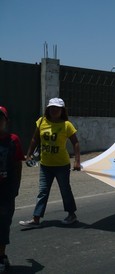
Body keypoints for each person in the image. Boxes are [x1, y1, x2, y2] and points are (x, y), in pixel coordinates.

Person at [19, 98, 81, 228]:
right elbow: (35, 139)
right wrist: (28, 154)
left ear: (62, 110)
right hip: (45, 165)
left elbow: (75, 142)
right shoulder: (41, 122)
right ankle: (36, 219)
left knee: (65, 190)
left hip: (62, 165)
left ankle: (72, 215)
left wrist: (77, 161)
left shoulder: (66, 125)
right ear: (48, 109)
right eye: (52, 108)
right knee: (43, 191)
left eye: (57, 108)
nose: (54, 110)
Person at [0, 106, 25, 273]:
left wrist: (16, 187)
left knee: (2, 225)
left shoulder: (13, 140)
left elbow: (17, 166)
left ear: (6, 121)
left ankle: (1, 257)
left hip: (5, 192)